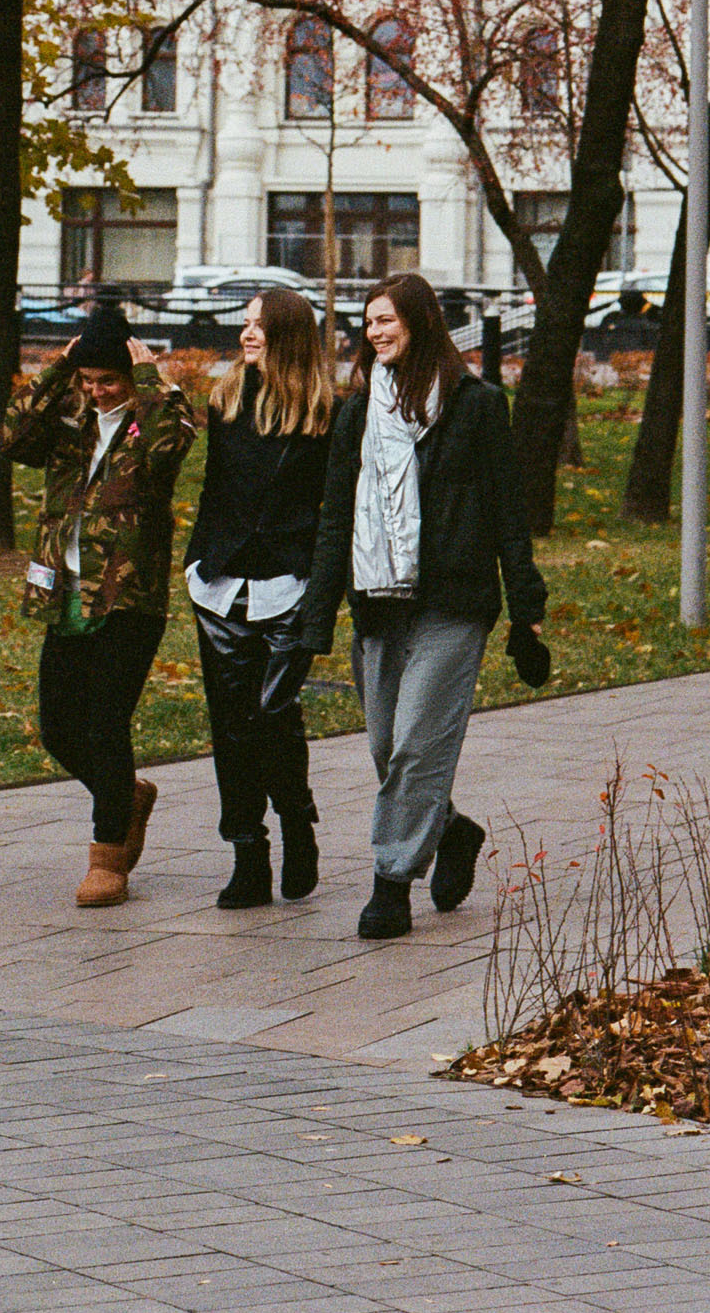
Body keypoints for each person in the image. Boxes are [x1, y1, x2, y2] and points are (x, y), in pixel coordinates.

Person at [297, 269, 550, 942]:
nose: (376, 331)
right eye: (369, 320)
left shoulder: (476, 404)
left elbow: (508, 509)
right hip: (378, 602)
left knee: (416, 745)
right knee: (386, 746)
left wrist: (526, 609)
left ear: (422, 323)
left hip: (454, 601)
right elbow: (334, 521)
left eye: (388, 319)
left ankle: (390, 882)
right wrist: (313, 622)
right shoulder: (356, 415)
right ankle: (451, 829)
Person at [1, 297, 199, 906]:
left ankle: (108, 856)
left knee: (105, 721)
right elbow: (11, 435)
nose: (99, 392)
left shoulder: (155, 418)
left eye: (107, 380)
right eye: (90, 381)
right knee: (60, 728)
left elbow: (173, 442)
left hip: (126, 598)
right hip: (63, 592)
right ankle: (126, 796)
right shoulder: (70, 420)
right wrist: (60, 371)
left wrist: (146, 382)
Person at [182, 283, 332, 907]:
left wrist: (322, 590)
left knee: (273, 716)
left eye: (260, 326)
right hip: (220, 585)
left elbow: (332, 511)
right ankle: (247, 850)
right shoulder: (225, 401)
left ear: (289, 336)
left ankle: (297, 821)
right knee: (230, 726)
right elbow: (216, 490)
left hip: (287, 586)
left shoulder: (326, 414)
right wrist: (195, 560)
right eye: (244, 324)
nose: (247, 334)